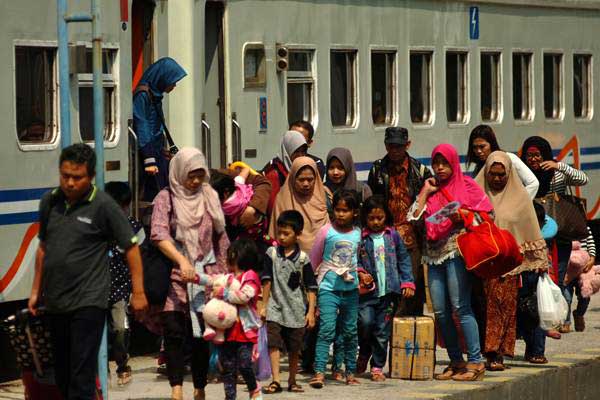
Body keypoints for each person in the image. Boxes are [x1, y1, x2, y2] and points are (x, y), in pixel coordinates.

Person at [28, 144, 148, 399]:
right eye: (65, 176)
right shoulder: (49, 202)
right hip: (57, 301)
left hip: (89, 301)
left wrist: (138, 292)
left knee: (81, 374)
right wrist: (36, 290)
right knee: (62, 373)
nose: (70, 183)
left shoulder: (104, 206)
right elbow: (43, 248)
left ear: (91, 177)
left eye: (77, 177)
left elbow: (131, 248)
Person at [151, 147, 230, 400]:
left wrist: (224, 275)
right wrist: (181, 260)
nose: (195, 181)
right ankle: (176, 389)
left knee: (199, 336)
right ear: (179, 173)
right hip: (174, 276)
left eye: (200, 175)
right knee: (174, 332)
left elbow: (221, 237)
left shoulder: (210, 196)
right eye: (191, 175)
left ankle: (199, 388)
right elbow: (158, 234)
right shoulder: (166, 198)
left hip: (205, 277)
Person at [409, 143, 493, 382]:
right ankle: (456, 361)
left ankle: (476, 361)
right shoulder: (431, 188)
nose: (440, 168)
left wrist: (463, 215)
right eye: (436, 163)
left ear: (454, 163)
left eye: (445, 163)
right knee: (440, 311)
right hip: (432, 254)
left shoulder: (467, 185)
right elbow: (413, 216)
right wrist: (425, 191)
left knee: (460, 307)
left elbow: (487, 214)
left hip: (456, 250)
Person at [475, 151, 550, 370]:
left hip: (508, 266)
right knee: (482, 310)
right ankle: (485, 351)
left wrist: (539, 262)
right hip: (479, 265)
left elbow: (530, 230)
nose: (497, 179)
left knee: (502, 309)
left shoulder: (521, 199)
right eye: (493, 174)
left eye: (501, 175)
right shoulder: (477, 194)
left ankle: (495, 353)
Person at [521, 136, 589, 333]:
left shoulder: (557, 173)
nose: (533, 159)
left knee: (557, 278)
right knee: (533, 279)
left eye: (537, 155)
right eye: (529, 155)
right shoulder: (523, 176)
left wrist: (560, 166)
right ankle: (538, 319)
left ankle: (558, 317)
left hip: (559, 236)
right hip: (533, 234)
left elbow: (583, 179)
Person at [367, 126, 432, 316]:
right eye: (391, 146)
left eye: (399, 146)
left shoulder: (420, 171)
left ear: (407, 145)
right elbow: (373, 203)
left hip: (412, 238)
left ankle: (408, 332)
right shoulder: (377, 170)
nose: (394, 150)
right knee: (386, 287)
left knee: (411, 287)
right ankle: (389, 330)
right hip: (385, 236)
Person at [357, 195, 415, 381]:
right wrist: (360, 272)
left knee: (382, 331)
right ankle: (364, 352)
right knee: (365, 323)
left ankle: (377, 367)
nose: (375, 222)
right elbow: (354, 260)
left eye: (379, 218)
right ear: (365, 218)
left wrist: (407, 282)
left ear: (386, 217)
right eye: (371, 218)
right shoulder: (361, 238)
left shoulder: (393, 236)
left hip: (389, 293)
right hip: (368, 294)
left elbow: (404, 260)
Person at [197, 239, 263, 400]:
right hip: (227, 331)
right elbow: (211, 279)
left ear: (235, 255)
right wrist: (196, 278)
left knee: (245, 364)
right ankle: (230, 397)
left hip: (244, 332)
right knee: (228, 367)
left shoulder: (251, 276)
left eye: (229, 255)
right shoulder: (228, 277)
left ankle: (254, 388)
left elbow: (245, 296)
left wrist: (223, 294)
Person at [309, 190, 362, 388]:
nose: (340, 214)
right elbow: (315, 258)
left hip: (351, 289)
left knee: (350, 331)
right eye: (338, 210)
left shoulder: (358, 234)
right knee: (327, 330)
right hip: (328, 288)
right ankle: (320, 372)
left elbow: (356, 259)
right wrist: (311, 286)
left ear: (355, 212)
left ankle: (350, 372)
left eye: (345, 211)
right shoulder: (326, 231)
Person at [260, 210, 317, 394]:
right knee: (273, 343)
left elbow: (311, 288)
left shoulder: (303, 259)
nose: (282, 237)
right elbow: (267, 281)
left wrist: (310, 312)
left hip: (296, 310)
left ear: (298, 234)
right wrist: (263, 306)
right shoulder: (272, 254)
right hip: (275, 307)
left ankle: (292, 380)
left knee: (294, 348)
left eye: (287, 233)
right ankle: (276, 380)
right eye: (280, 233)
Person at [105, 181, 145, 386]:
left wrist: (137, 291)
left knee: (121, 329)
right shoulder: (97, 226)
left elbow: (140, 259)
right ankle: (101, 370)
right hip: (96, 288)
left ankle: (122, 364)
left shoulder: (134, 228)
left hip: (120, 289)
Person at [133, 57, 187, 202]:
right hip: (147, 153)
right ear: (163, 78)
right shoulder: (143, 95)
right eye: (172, 81)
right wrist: (149, 159)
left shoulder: (154, 94)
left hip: (156, 150)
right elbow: (142, 126)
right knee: (154, 193)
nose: (174, 85)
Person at [269, 157, 330, 253]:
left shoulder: (325, 195)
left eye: (310, 179)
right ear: (293, 178)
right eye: (301, 180)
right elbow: (276, 235)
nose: (306, 184)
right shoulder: (282, 200)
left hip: (323, 260)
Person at [466, 125, 539, 198]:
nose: (478, 151)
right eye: (475, 147)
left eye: (482, 147)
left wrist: (518, 204)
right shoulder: (479, 166)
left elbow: (533, 183)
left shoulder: (509, 159)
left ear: (491, 144)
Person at [209, 166, 272, 246]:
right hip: (260, 223)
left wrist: (252, 209)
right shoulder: (236, 184)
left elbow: (263, 183)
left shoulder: (226, 206)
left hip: (247, 230)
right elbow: (245, 171)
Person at [262, 131, 308, 215]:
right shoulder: (274, 174)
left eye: (303, 152)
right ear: (287, 151)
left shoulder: (303, 170)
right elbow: (273, 209)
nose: (301, 155)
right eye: (296, 151)